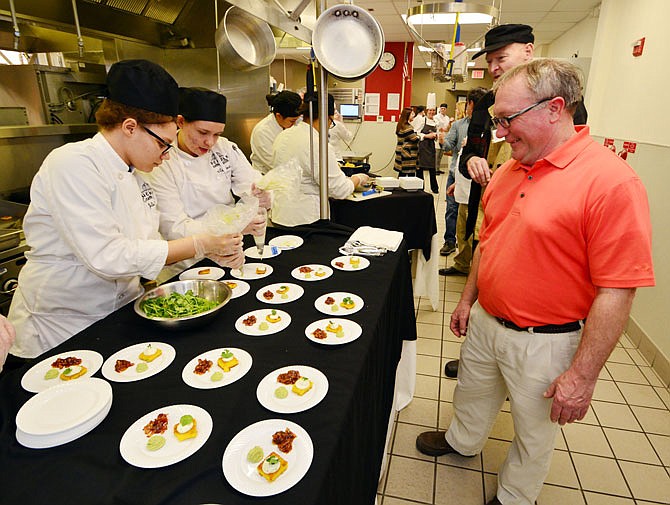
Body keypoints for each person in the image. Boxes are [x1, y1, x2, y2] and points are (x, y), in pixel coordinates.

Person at [416, 59, 654, 505]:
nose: (500, 132)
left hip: (547, 341)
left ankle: (514, 496)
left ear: (555, 108)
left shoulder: (611, 182)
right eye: (496, 121)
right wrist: (469, 301)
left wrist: (582, 375)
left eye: (507, 120)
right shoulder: (508, 171)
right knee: (472, 393)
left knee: (533, 430)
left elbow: (617, 289)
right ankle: (463, 441)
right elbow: (488, 243)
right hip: (487, 322)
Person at [8, 59, 243, 359]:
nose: (166, 156)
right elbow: (107, 255)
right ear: (130, 127)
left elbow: (144, 244)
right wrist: (197, 244)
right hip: (61, 326)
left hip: (117, 315)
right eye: (163, 144)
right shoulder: (72, 164)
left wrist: (205, 249)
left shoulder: (137, 173)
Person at [142, 87, 268, 241]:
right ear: (180, 122)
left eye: (217, 134)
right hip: (189, 254)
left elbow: (252, 184)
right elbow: (174, 228)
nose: (210, 142)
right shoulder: (163, 159)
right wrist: (233, 226)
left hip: (233, 241)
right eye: (203, 132)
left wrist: (263, 196)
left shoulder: (224, 148)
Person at [270, 93, 369, 227]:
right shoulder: (317, 144)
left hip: (279, 215)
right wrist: (358, 178)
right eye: (331, 123)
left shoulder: (283, 136)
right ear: (327, 119)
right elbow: (339, 190)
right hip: (305, 220)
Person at [439, 87, 488, 261]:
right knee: (453, 211)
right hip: (456, 176)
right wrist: (442, 138)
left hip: (479, 182)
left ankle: (470, 260)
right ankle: (450, 242)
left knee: (475, 221)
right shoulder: (460, 126)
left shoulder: (490, 127)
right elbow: (448, 147)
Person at [250, 90, 303, 174]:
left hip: (290, 171)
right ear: (279, 116)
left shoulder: (296, 121)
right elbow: (275, 164)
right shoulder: (263, 132)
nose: (294, 124)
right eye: (292, 121)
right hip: (267, 176)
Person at [414, 106, 440, 193]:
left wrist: (435, 136)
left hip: (431, 146)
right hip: (422, 146)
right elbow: (416, 133)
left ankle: (434, 188)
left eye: (433, 110)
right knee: (420, 168)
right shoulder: (422, 120)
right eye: (430, 110)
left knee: (432, 168)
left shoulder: (435, 122)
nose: (432, 112)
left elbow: (438, 133)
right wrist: (426, 136)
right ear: (427, 111)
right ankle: (420, 188)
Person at [393, 107, 420, 176]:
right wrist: (419, 136)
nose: (414, 115)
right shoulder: (407, 127)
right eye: (412, 114)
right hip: (407, 154)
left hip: (402, 152)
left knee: (402, 174)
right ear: (407, 116)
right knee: (409, 175)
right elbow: (415, 139)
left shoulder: (400, 125)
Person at [434, 103, 451, 175]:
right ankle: (435, 169)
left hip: (444, 137)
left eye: (444, 109)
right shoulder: (436, 117)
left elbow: (447, 128)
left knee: (441, 154)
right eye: (442, 108)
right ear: (440, 109)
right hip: (438, 136)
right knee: (437, 154)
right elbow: (439, 127)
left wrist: (448, 125)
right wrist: (444, 128)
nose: (443, 110)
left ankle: (438, 168)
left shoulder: (447, 118)